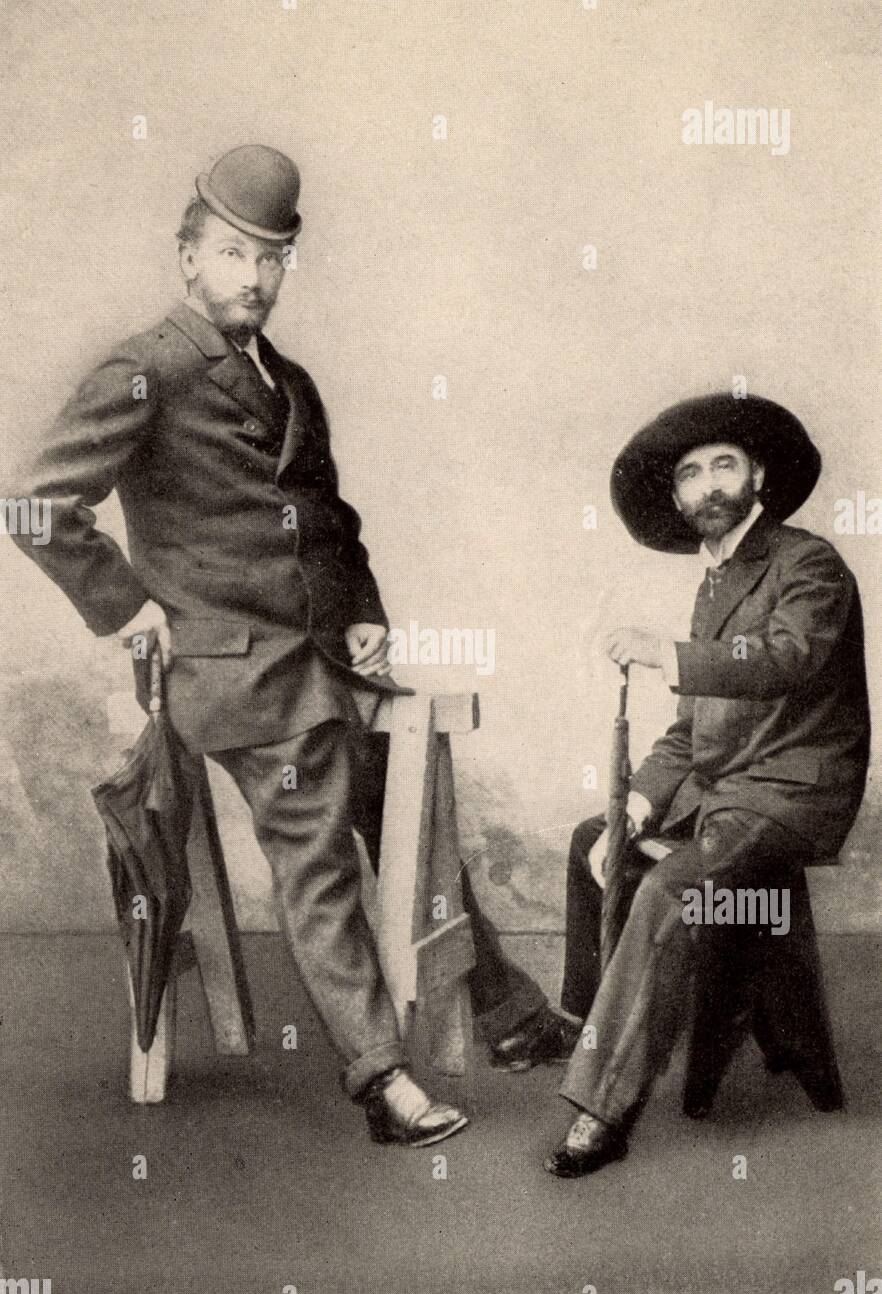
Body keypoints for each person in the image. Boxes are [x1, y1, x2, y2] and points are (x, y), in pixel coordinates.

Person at [6, 144, 560, 1145]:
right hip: (231, 677)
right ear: (186, 259)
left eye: (271, 259)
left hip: (320, 662)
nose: (253, 277)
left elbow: (331, 521)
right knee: (319, 858)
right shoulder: (147, 370)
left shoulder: (289, 378)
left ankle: (509, 1014)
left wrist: (365, 615)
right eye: (231, 254)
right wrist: (127, 609)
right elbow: (36, 506)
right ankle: (382, 1079)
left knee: (413, 805)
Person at [540, 394, 870, 1177]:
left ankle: (602, 1106)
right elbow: (691, 734)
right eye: (690, 474)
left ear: (757, 474)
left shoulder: (808, 563)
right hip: (724, 791)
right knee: (598, 837)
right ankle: (590, 1024)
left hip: (792, 793)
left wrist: (668, 652)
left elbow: (786, 659)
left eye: (724, 464)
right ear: (678, 499)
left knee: (673, 891)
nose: (708, 485)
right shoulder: (713, 585)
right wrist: (640, 803)